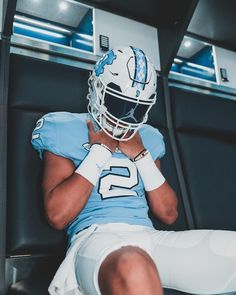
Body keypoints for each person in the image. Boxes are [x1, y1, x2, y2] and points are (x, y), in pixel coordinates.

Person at [31, 46, 236, 295]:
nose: (126, 117)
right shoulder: (63, 127)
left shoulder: (148, 138)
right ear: (98, 89)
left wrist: (141, 155)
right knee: (133, 265)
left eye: (136, 108)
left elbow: (168, 213)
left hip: (149, 236)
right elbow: (58, 215)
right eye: (119, 104)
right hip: (95, 240)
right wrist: (100, 151)